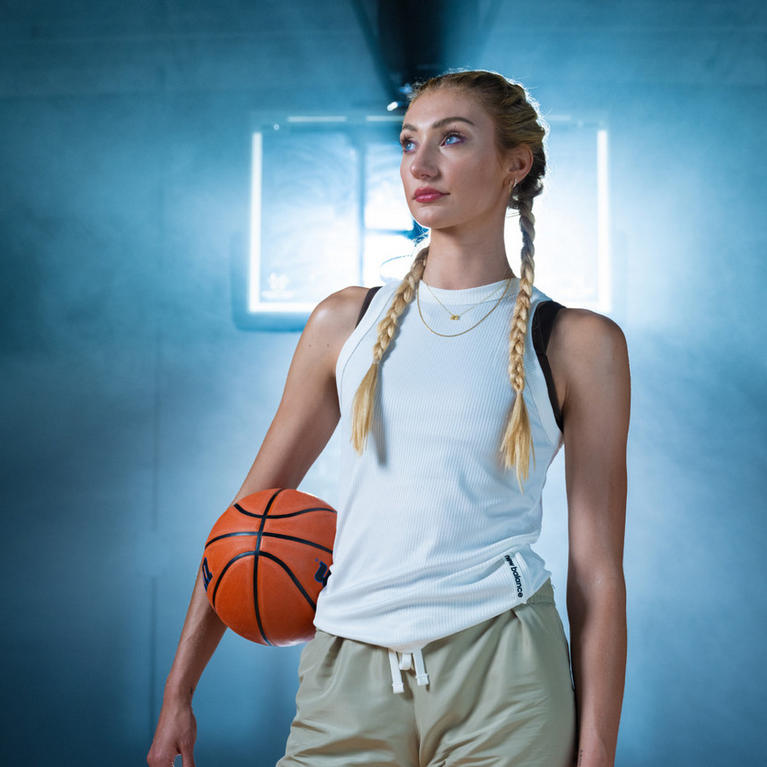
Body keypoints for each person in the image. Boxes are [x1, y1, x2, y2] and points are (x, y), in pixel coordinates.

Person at [147, 68, 629, 767]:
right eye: (409, 142)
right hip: (348, 670)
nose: (421, 164)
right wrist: (178, 691)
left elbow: (597, 573)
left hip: (505, 671)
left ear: (514, 164)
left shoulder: (577, 341)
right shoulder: (346, 320)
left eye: (452, 139)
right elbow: (243, 522)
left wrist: (596, 756)